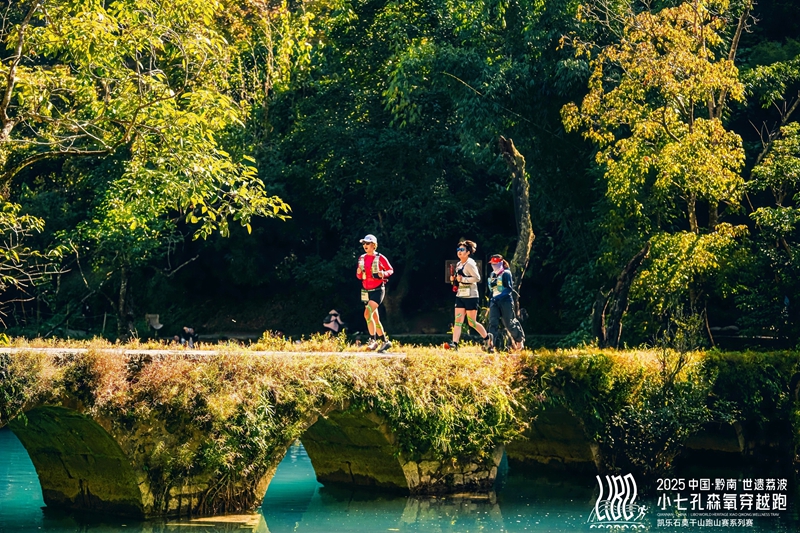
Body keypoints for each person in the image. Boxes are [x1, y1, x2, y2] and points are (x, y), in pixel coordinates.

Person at [449, 240, 493, 351]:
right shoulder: (459, 264)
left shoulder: (470, 263)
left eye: (462, 250)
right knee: (458, 321)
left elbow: (477, 278)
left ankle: (487, 338)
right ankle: (454, 344)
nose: (459, 252)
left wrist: (463, 279)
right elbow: (458, 280)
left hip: (471, 296)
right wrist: (454, 280)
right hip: (460, 295)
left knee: (472, 322)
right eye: (458, 250)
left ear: (468, 252)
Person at [356, 234, 394, 352]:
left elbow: (390, 270)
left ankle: (373, 340)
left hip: (378, 290)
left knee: (367, 313)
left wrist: (384, 274)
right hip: (366, 290)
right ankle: (385, 342)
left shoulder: (380, 257)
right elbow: (359, 276)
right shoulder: (361, 258)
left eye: (367, 243)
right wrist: (358, 273)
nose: (365, 246)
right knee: (375, 318)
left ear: (373, 245)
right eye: (364, 244)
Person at [487, 255, 525, 351]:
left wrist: (499, 297)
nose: (494, 266)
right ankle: (490, 345)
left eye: (495, 264)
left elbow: (509, 288)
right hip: (494, 302)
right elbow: (492, 290)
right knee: (492, 322)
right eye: (492, 264)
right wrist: (490, 302)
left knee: (509, 323)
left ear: (500, 263)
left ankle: (519, 340)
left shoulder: (506, 273)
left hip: (505, 301)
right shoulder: (492, 275)